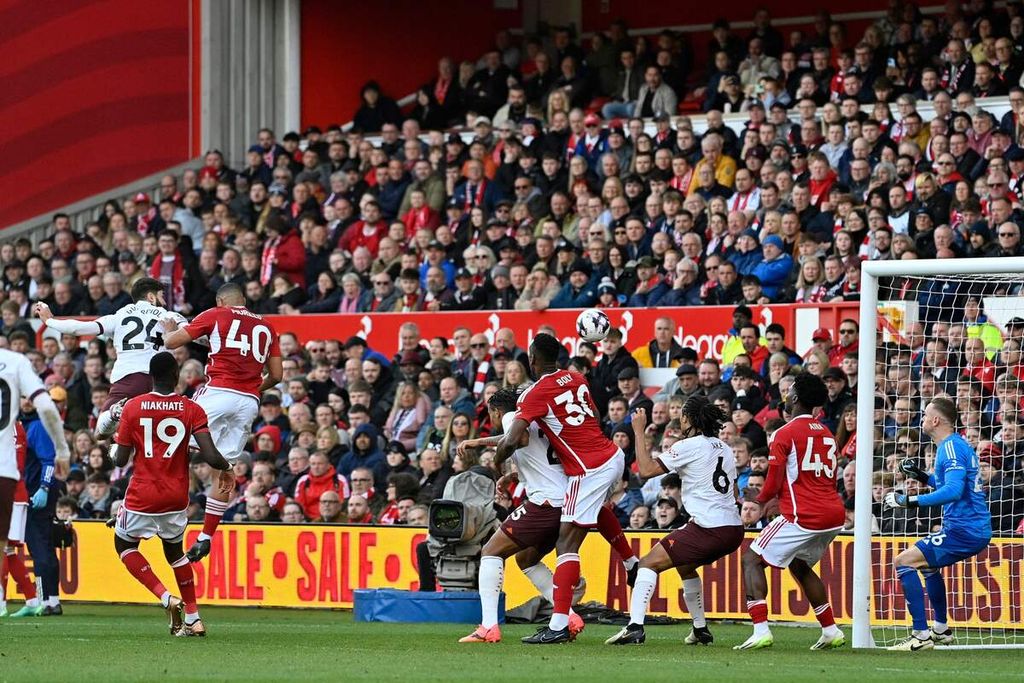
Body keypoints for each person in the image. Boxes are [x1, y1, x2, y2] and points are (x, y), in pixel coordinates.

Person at [495, 333, 633, 645]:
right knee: (591, 514)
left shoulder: (533, 394)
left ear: (531, 359)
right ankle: (630, 562)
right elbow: (594, 417)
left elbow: (514, 438)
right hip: (611, 455)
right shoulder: (577, 377)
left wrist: (498, 460)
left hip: (589, 467)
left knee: (566, 541)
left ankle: (558, 625)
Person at [605, 397, 744, 646]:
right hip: (733, 528)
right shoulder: (723, 447)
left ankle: (634, 627)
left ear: (689, 419)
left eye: (682, 415)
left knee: (647, 563)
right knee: (685, 566)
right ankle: (700, 629)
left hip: (709, 527)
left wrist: (638, 430)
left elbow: (646, 471)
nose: (679, 420)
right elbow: (733, 491)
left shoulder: (688, 445)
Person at [160, 283, 283, 561]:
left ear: (220, 300)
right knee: (225, 467)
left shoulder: (216, 314)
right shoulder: (267, 327)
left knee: (175, 442)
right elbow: (277, 376)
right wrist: (252, 387)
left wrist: (169, 328)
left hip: (217, 392)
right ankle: (205, 536)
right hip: (249, 401)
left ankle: (163, 511)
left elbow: (172, 343)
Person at [111, 352, 230, 636]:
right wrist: (227, 468)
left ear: (150, 377)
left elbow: (119, 460)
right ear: (177, 376)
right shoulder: (192, 409)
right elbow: (211, 455)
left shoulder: (134, 407)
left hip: (143, 495)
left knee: (124, 546)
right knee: (176, 555)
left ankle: (166, 597)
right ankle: (193, 617)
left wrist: (113, 449)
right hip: (177, 497)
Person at [456, 387, 584, 644]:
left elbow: (518, 439)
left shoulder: (510, 416)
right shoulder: (537, 418)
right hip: (567, 501)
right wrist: (513, 474)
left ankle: (488, 627)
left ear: (495, 411)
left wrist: (487, 449)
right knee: (526, 559)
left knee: (491, 552)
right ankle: (568, 616)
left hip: (545, 503)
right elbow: (534, 450)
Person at [735, 373, 846, 651]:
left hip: (804, 516)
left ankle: (760, 630)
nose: (786, 393)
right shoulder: (827, 433)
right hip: (833, 514)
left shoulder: (785, 433)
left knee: (751, 559)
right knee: (799, 564)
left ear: (795, 398)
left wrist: (759, 500)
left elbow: (772, 482)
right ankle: (831, 630)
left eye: (790, 390)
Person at [883, 396, 992, 651]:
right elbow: (950, 486)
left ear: (935, 420)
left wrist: (909, 500)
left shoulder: (950, 447)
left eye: (924, 416)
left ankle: (920, 636)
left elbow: (954, 491)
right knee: (926, 566)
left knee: (903, 561)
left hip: (966, 528)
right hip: (966, 527)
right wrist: (921, 476)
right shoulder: (953, 446)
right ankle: (941, 629)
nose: (921, 420)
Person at [34, 278, 187, 439]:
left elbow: (78, 328)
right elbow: (196, 334)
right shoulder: (169, 316)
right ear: (151, 297)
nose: (163, 301)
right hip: (162, 382)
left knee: (100, 433)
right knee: (162, 434)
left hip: (129, 378)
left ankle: (114, 414)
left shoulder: (119, 316)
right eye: (162, 296)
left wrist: (50, 320)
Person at [0, 347, 70, 554]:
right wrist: (62, 450)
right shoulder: (14, 361)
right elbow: (47, 408)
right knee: (6, 552)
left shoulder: (32, 429)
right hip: (5, 473)